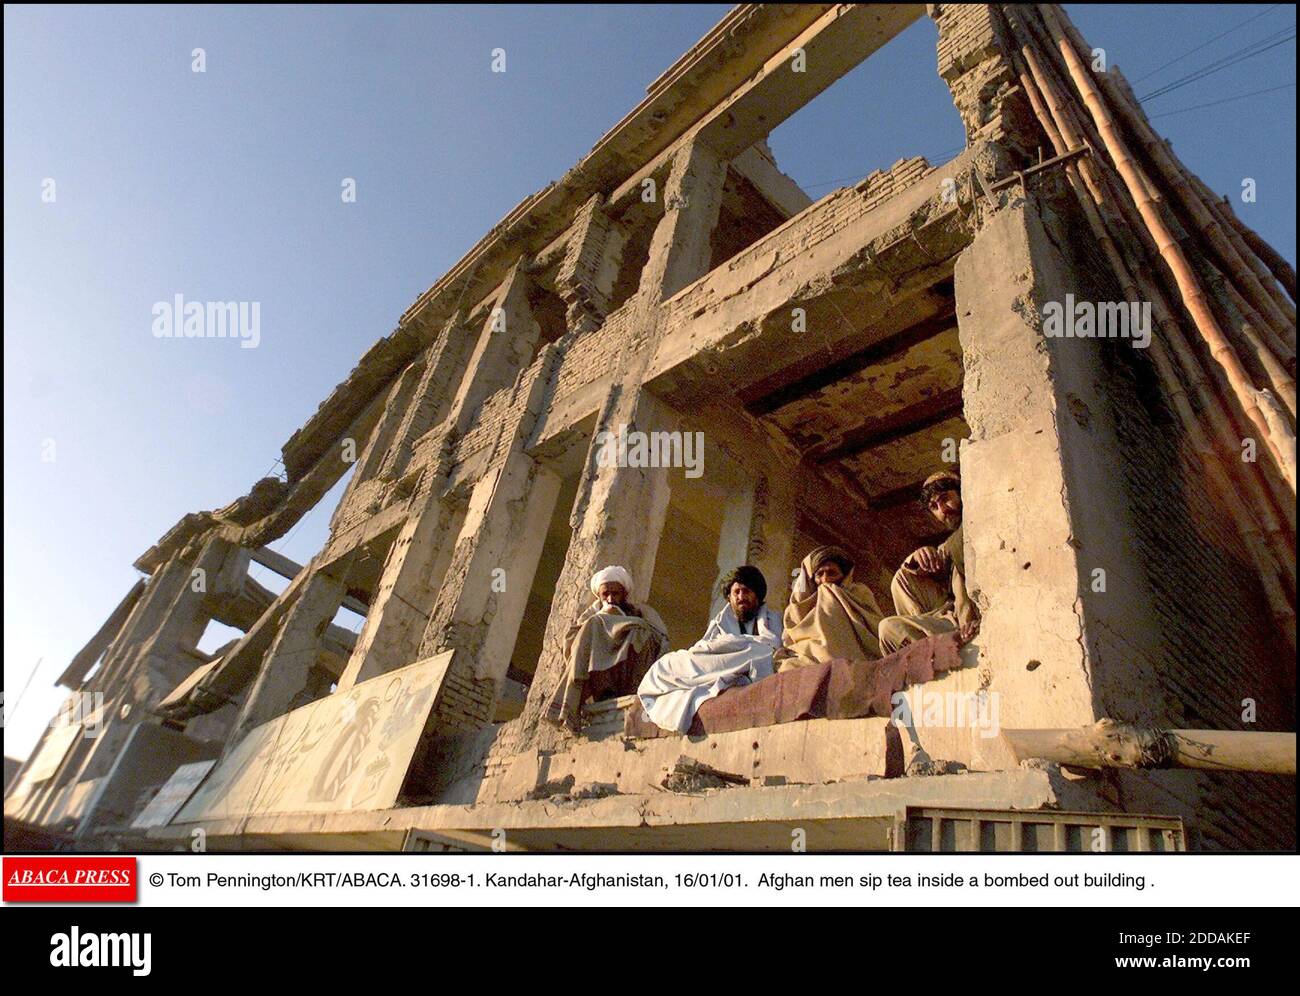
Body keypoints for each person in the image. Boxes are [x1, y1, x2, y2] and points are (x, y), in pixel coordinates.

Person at [637, 565, 782, 733]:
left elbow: (770, 646)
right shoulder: (720, 621)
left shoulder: (773, 620)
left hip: (748, 657)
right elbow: (704, 650)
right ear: (729, 597)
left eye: (746, 591)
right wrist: (727, 645)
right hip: (713, 663)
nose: (741, 597)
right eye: (736, 592)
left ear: (757, 595)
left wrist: (741, 645)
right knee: (665, 664)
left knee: (760, 652)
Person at [544, 566, 669, 732]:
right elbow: (573, 639)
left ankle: (632, 689)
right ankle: (602, 691)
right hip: (598, 669)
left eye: (615, 594)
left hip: (628, 671)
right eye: (605, 594)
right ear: (599, 595)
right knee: (594, 624)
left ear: (624, 594)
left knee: (640, 631)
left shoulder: (639, 612)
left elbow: (660, 637)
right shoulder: (592, 617)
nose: (610, 598)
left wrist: (630, 625)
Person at [878, 470, 979, 654]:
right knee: (889, 626)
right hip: (949, 616)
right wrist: (918, 557)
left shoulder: (976, 523)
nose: (942, 509)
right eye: (934, 506)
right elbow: (939, 561)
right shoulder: (948, 545)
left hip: (972, 615)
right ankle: (929, 645)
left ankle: (956, 634)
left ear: (961, 492)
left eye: (945, 498)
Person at [775, 545, 883, 671]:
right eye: (820, 574)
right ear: (812, 579)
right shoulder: (797, 608)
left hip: (853, 657)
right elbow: (790, 641)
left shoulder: (859, 593)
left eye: (832, 573)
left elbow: (875, 628)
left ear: (844, 576)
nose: (825, 579)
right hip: (809, 658)